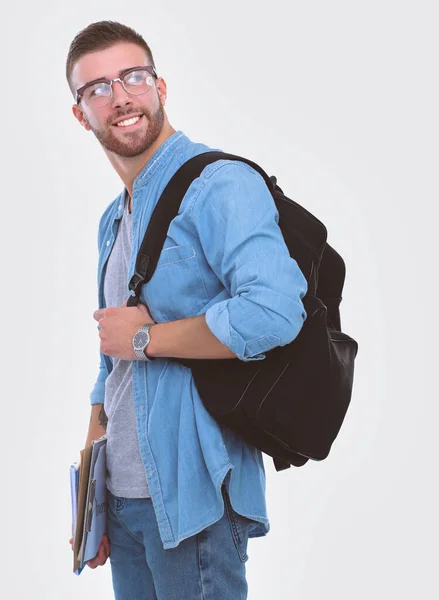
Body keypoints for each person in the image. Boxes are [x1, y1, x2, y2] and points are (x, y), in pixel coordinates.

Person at [66, 20, 308, 600]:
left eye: (133, 76)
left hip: (193, 501)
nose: (120, 96)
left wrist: (149, 338)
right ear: (81, 114)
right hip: (122, 506)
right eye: (97, 88)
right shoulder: (112, 218)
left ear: (160, 86)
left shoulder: (219, 184)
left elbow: (274, 312)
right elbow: (111, 367)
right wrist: (91, 505)